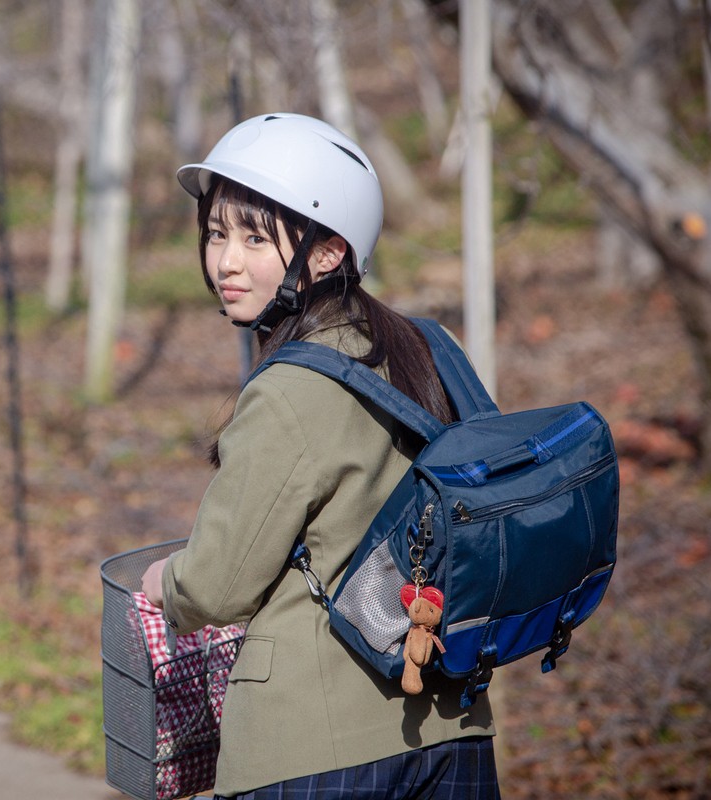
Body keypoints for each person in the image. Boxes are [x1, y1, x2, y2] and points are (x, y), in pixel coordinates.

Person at [140, 112, 498, 799]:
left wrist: (164, 583)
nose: (226, 261)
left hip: (312, 751)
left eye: (253, 236)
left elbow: (218, 586)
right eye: (217, 233)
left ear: (329, 252)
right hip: (453, 731)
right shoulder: (428, 347)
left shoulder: (288, 391)